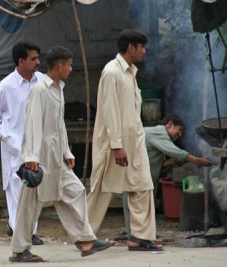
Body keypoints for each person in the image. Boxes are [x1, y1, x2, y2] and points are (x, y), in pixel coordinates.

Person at [9, 46, 114, 263]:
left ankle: (85, 240)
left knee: (75, 192)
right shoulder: (40, 90)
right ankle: (19, 250)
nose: (71, 69)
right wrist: (31, 158)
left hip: (56, 159)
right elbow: (33, 124)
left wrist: (66, 151)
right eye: (69, 65)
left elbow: (59, 125)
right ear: (59, 66)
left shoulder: (58, 88)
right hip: (39, 160)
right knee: (29, 206)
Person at [87, 29, 164, 251]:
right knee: (102, 188)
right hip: (115, 144)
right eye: (141, 47)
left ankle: (139, 237)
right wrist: (117, 145)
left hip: (134, 142)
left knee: (142, 185)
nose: (144, 52)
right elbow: (111, 112)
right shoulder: (112, 72)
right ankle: (84, 235)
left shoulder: (130, 72)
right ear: (131, 48)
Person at [0, 41, 44, 245]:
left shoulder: (42, 82)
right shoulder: (6, 86)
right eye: (33, 59)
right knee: (18, 190)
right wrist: (7, 137)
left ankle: (27, 231)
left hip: (37, 148)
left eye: (38, 58)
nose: (38, 62)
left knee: (35, 190)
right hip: (15, 148)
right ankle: (21, 233)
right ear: (21, 61)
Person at [121, 114, 212, 237]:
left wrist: (171, 162)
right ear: (169, 124)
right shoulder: (159, 132)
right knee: (135, 208)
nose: (179, 135)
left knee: (140, 208)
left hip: (139, 176)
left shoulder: (161, 138)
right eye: (179, 130)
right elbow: (176, 152)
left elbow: (159, 162)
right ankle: (136, 237)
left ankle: (141, 236)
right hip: (134, 175)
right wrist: (199, 161)